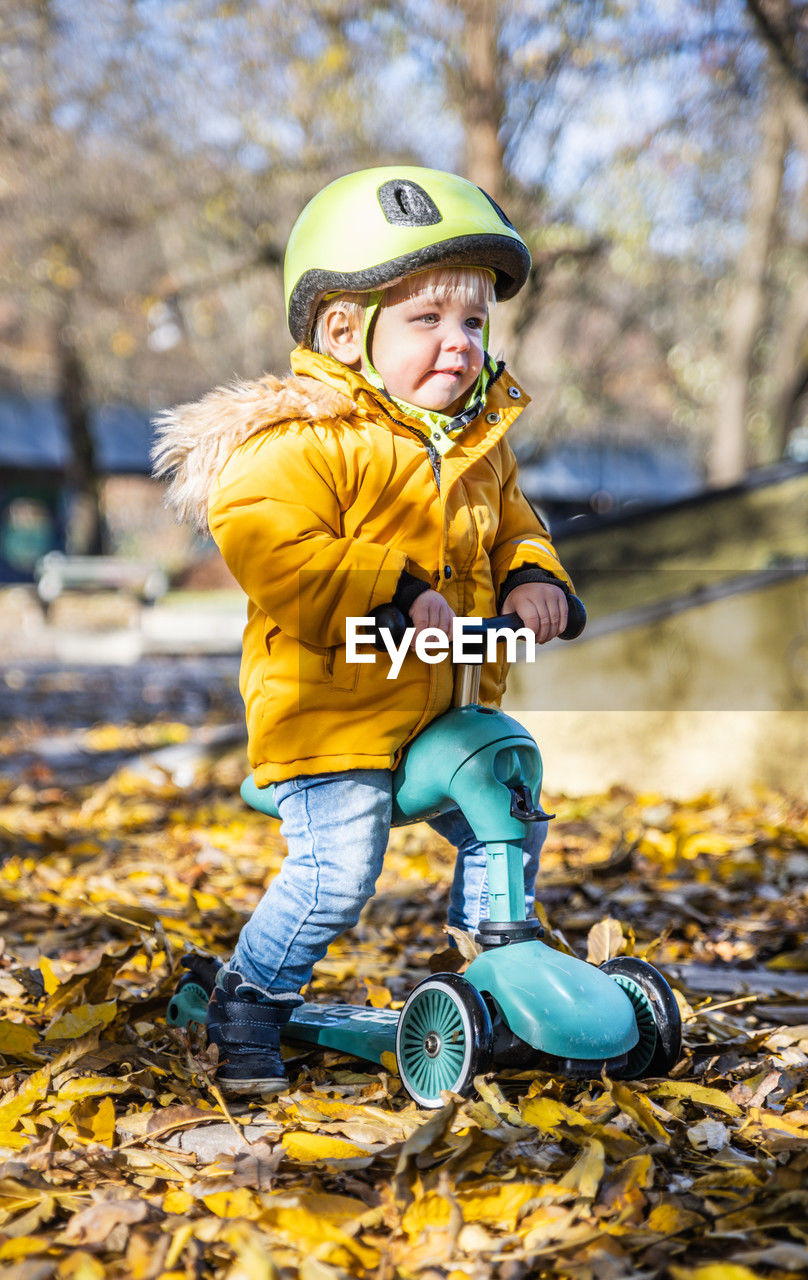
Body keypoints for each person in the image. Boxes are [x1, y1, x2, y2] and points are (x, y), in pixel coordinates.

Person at [154, 166, 575, 1094]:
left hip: (440, 707)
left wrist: (535, 578)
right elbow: (272, 549)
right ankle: (245, 1013)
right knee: (338, 872)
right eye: (427, 321)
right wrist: (388, 587)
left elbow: (516, 527)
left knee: (506, 797)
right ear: (345, 331)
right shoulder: (299, 442)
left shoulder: (477, 445)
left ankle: (492, 970)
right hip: (330, 717)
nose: (460, 345)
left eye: (473, 322)